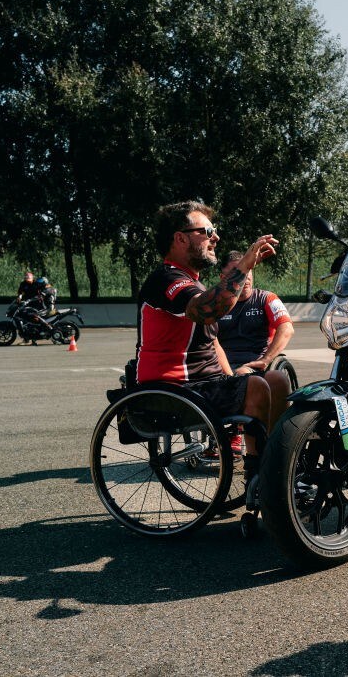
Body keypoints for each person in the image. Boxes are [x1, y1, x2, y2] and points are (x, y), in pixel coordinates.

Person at [134, 200, 284, 484]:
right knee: (258, 387)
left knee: (277, 381)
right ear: (180, 238)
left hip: (201, 385)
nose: (215, 237)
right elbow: (208, 309)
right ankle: (262, 475)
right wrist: (245, 264)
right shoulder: (166, 279)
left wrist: (232, 377)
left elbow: (213, 344)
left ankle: (280, 460)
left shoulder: (194, 282)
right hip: (172, 389)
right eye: (207, 231)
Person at [215, 249, 294, 424]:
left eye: (248, 269)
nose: (246, 276)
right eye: (239, 271)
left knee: (259, 376)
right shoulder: (216, 305)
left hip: (255, 364)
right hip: (221, 365)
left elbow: (286, 328)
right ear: (223, 277)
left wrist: (266, 359)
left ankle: (271, 437)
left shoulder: (267, 298)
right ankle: (229, 436)